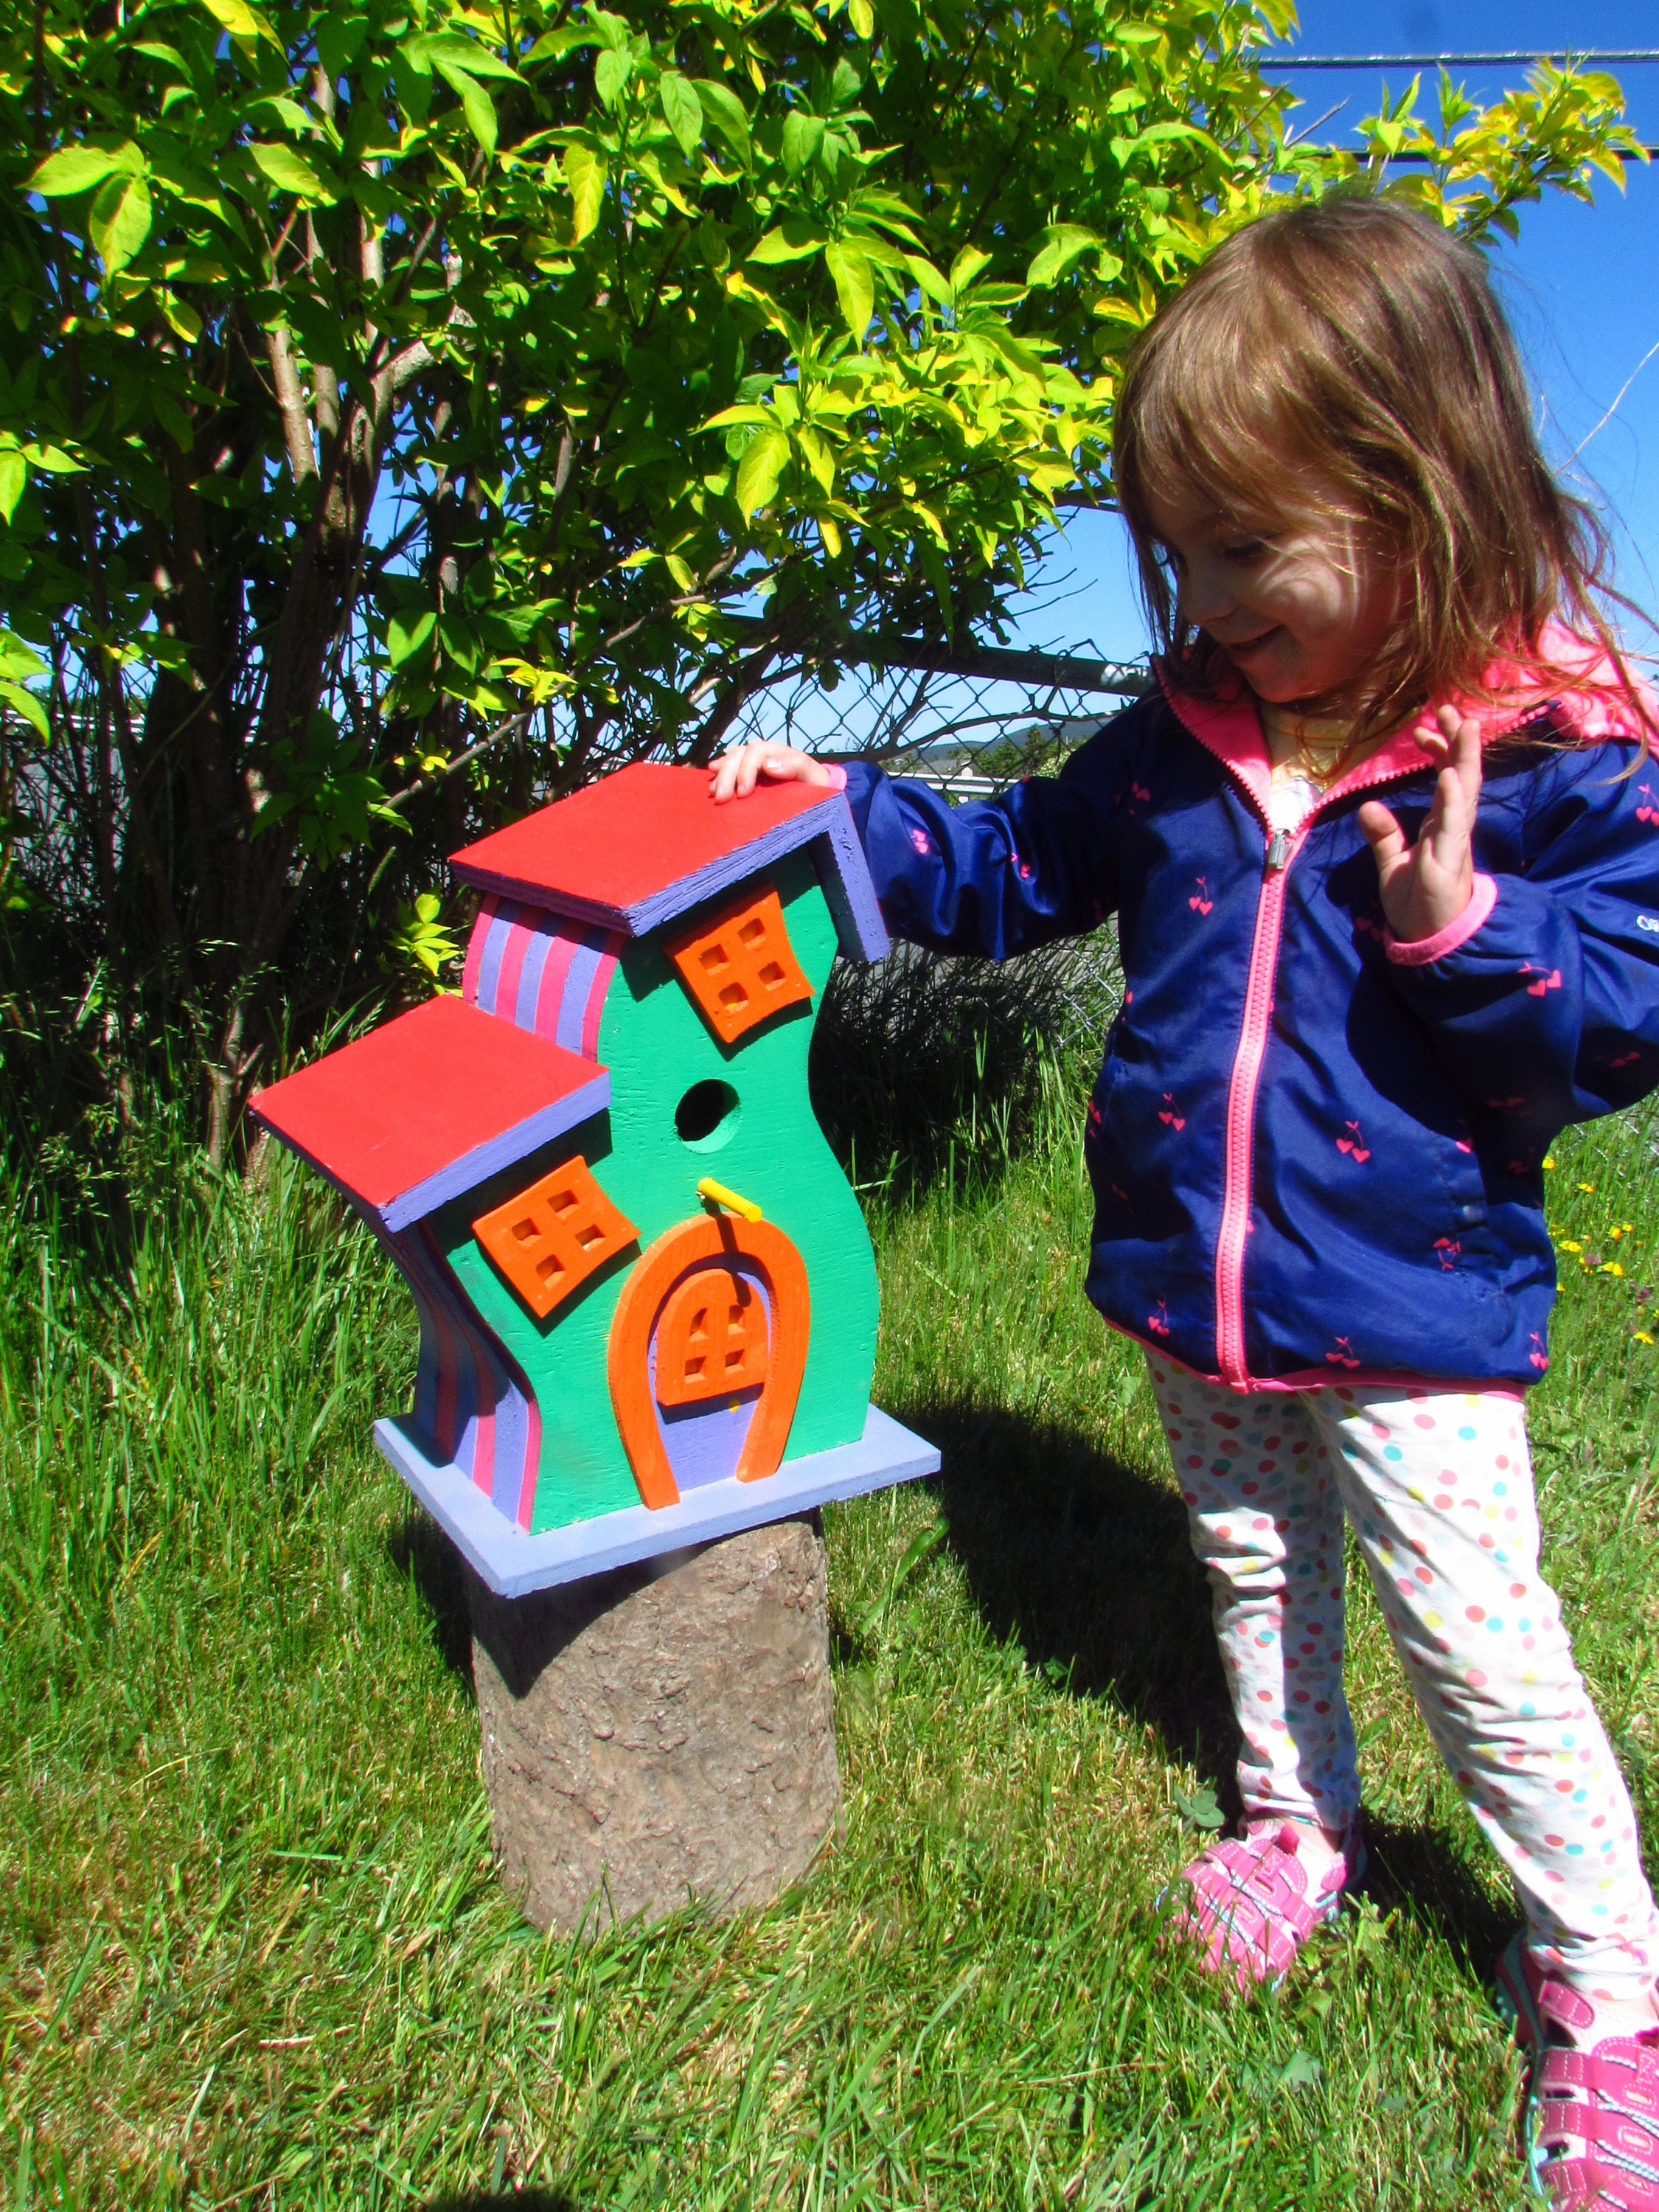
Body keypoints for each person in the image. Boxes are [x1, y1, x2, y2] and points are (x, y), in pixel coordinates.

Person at [709, 195, 1659, 2205]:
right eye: (1181, 546)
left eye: (1248, 544)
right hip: (1194, 1278)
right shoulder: (1172, 746)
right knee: (1250, 1571)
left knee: (1476, 1646)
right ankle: (1290, 1821)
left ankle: (1601, 1976)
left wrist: (1465, 928)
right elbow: (1004, 874)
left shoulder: (1554, 755)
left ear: (1420, 491)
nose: (1204, 593)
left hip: (1405, 1301)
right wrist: (834, 818)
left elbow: (1619, 1012)